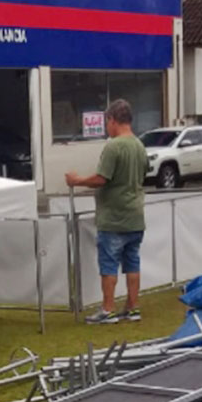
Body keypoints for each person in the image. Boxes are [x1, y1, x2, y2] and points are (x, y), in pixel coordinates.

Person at [65, 99, 147, 324]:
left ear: (112, 120)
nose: (106, 127)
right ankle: (133, 307)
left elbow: (102, 178)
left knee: (109, 265)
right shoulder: (139, 145)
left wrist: (77, 180)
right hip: (135, 215)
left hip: (113, 217)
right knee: (132, 263)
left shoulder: (113, 146)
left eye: (106, 122)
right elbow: (143, 174)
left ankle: (108, 310)